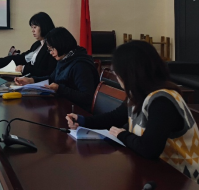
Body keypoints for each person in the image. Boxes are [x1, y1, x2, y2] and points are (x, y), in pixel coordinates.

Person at [66, 41, 199, 182]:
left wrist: (122, 134)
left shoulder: (162, 101)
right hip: (156, 170)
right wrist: (82, 120)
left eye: (117, 73)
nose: (117, 78)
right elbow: (115, 117)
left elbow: (149, 149)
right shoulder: (138, 94)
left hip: (183, 178)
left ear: (129, 74)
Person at [15, 26, 99, 111]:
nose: (51, 53)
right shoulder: (64, 58)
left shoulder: (80, 65)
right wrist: (31, 80)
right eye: (49, 50)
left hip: (78, 111)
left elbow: (87, 97)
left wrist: (59, 89)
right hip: (64, 105)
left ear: (61, 45)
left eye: (52, 49)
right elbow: (52, 78)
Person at [0, 12, 57, 77]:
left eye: (35, 27)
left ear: (44, 26)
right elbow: (20, 58)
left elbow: (48, 72)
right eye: (31, 27)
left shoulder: (52, 47)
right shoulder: (37, 45)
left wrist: (24, 69)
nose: (32, 30)